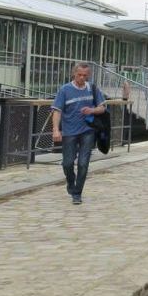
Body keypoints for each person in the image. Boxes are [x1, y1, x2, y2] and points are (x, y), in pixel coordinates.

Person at [51, 62, 107, 205]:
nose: (82, 78)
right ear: (74, 73)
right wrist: (56, 129)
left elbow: (102, 108)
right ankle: (71, 182)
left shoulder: (93, 89)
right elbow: (57, 110)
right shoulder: (65, 90)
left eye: (85, 75)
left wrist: (92, 110)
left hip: (88, 131)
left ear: (89, 75)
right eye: (79, 75)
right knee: (67, 163)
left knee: (83, 164)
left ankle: (77, 193)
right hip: (69, 132)